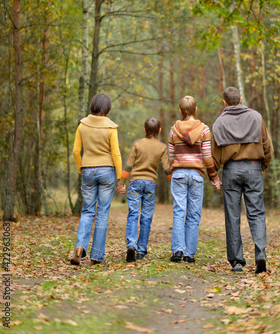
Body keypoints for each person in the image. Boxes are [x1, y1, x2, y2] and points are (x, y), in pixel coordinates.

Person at [211, 86, 273, 274]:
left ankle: (237, 262)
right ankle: (260, 254)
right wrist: (261, 167)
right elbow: (267, 146)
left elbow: (214, 155)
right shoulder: (256, 117)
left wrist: (214, 175)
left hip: (231, 170)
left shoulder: (219, 123)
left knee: (232, 216)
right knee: (256, 213)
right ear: (240, 99)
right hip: (253, 167)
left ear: (224, 102)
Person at [168, 95, 221, 264]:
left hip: (178, 174)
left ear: (180, 111)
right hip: (197, 175)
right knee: (193, 214)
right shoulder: (204, 130)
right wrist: (214, 177)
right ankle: (189, 254)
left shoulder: (173, 129)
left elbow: (170, 156)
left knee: (179, 212)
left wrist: (176, 165)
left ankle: (177, 250)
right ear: (195, 110)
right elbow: (207, 157)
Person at [71, 93, 122, 266]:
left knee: (87, 211)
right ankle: (97, 256)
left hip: (87, 170)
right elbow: (115, 153)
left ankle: (80, 246)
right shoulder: (111, 128)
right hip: (107, 171)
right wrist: (120, 175)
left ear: (93, 106)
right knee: (102, 213)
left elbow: (76, 152)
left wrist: (81, 167)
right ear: (107, 108)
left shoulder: (82, 125)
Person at [116, 118, 170, 262]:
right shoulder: (162, 147)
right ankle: (141, 250)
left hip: (135, 182)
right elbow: (166, 169)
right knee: (146, 217)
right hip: (150, 184)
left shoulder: (138, 144)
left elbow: (128, 165)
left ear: (145, 130)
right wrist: (174, 181)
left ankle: (131, 244)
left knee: (133, 213)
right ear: (159, 130)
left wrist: (121, 183)